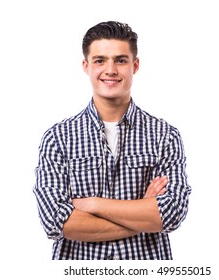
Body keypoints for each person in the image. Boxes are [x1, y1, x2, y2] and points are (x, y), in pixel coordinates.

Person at [33, 21, 191, 260]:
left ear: (134, 65)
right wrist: (143, 211)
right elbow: (57, 221)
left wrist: (93, 204)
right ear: (86, 66)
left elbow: (170, 214)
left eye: (120, 60)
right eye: (100, 60)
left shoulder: (164, 136)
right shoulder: (58, 138)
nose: (111, 70)